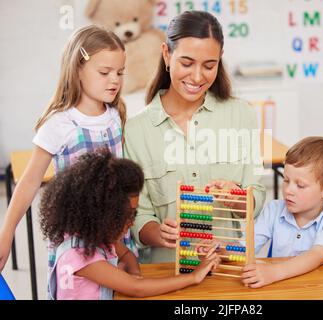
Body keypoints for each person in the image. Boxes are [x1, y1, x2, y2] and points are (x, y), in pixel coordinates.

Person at [123, 10, 266, 263]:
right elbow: (138, 217)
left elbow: (257, 197)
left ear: (220, 60)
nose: (198, 77)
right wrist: (159, 233)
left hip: (226, 270)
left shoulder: (242, 115)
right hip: (165, 274)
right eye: (187, 63)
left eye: (209, 65)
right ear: (167, 55)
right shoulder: (135, 131)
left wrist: (238, 200)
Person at [0, 25, 137, 274]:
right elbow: (29, 182)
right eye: (105, 72)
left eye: (120, 72)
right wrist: (6, 233)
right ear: (77, 70)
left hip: (115, 237)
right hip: (79, 242)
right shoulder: (59, 123)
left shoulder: (116, 116)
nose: (115, 80)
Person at [41, 150, 219, 300]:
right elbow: (137, 288)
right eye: (124, 215)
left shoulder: (92, 236)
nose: (131, 221)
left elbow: (127, 255)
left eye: (133, 214)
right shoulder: (80, 256)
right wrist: (194, 277)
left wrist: (132, 270)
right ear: (99, 213)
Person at [239, 137, 323, 288]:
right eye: (286, 180)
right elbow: (245, 247)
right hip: (280, 289)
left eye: (300, 185)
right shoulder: (274, 210)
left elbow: (316, 256)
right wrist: (221, 250)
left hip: (319, 290)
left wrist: (273, 272)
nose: (288, 190)